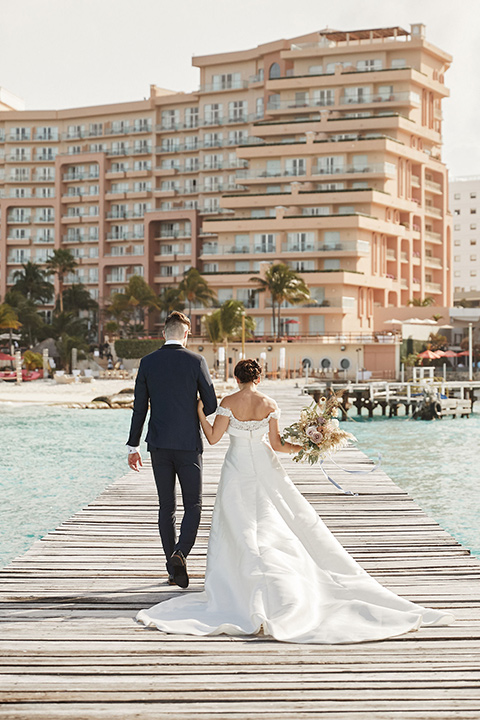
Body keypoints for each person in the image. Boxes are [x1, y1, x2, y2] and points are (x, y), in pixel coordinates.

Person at [136, 359, 454, 644]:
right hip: (263, 464)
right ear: (258, 378)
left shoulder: (228, 402)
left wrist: (200, 415)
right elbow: (276, 445)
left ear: (236, 379)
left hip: (235, 468)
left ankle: (240, 582)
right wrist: (307, 448)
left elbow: (214, 438)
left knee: (240, 525)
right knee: (274, 522)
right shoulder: (269, 403)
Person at [126, 311, 217, 589]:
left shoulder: (148, 362)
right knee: (194, 505)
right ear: (187, 334)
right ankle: (181, 553)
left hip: (158, 445)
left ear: (163, 333)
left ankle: (172, 569)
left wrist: (133, 445)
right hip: (189, 444)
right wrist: (196, 407)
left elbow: (139, 407)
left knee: (167, 506)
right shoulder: (196, 361)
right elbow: (211, 404)